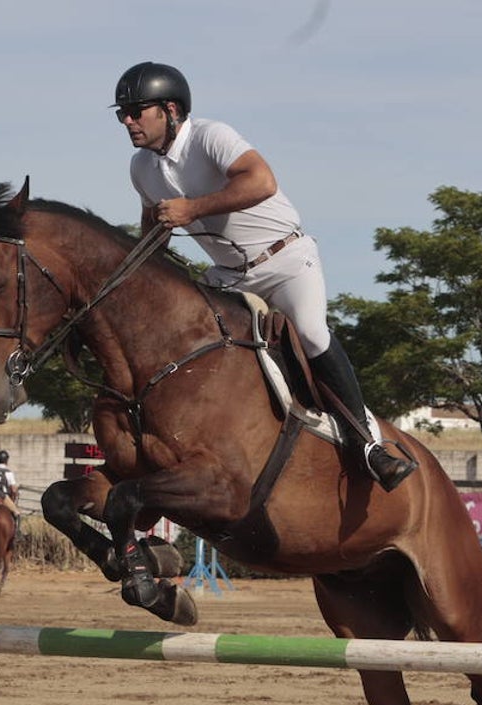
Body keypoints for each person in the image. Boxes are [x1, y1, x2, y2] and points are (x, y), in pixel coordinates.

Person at [111, 61, 415, 492]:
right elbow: (154, 230)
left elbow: (263, 182)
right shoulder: (141, 168)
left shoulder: (211, 136)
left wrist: (192, 209)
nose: (127, 120)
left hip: (285, 262)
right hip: (227, 277)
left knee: (310, 333)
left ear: (171, 110)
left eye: (137, 111)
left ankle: (370, 445)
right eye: (122, 113)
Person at [0, 450, 22, 532]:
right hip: (2, 496)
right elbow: (13, 489)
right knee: (17, 513)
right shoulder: (9, 473)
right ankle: (18, 533)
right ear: (7, 460)